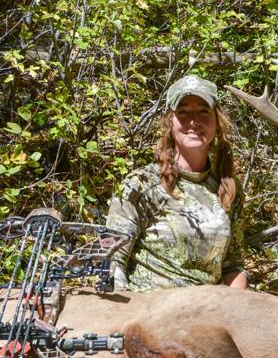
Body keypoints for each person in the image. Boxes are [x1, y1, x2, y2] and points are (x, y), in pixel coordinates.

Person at [106, 75, 247, 291]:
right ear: (169, 122)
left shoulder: (227, 187)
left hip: (211, 307)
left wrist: (237, 305)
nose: (194, 121)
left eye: (203, 112)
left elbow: (232, 267)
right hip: (149, 307)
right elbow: (111, 260)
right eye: (183, 112)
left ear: (217, 122)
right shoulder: (141, 184)